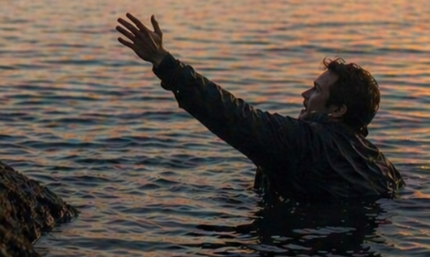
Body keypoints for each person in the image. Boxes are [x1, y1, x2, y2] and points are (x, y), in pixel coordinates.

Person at [115, 13, 403, 201]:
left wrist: (164, 62)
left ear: (337, 110)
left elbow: (231, 115)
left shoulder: (303, 141)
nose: (304, 94)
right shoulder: (382, 164)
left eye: (316, 90)